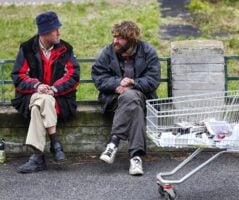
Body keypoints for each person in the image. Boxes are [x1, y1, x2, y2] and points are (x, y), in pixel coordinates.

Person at [11, 11, 80, 173]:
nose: (59, 32)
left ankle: (38, 157)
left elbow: (73, 75)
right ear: (45, 32)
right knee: (42, 99)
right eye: (56, 29)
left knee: (38, 107)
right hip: (30, 95)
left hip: (60, 99)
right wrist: (37, 86)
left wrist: (53, 89)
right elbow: (18, 76)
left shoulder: (65, 48)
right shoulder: (27, 48)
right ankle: (55, 143)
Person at [91, 20, 161, 176]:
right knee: (132, 103)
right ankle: (136, 158)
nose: (115, 41)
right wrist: (117, 84)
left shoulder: (147, 51)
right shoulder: (108, 52)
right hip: (113, 100)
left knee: (131, 96)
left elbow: (153, 79)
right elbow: (98, 77)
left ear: (130, 39)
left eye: (119, 38)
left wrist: (133, 82)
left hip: (142, 97)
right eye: (114, 37)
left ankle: (113, 143)